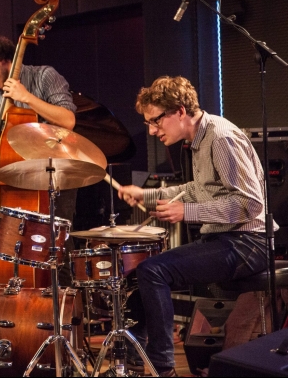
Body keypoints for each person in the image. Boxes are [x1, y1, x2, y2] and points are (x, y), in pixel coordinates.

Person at [117, 76, 275, 377]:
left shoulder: (221, 138)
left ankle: (162, 368)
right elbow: (196, 189)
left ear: (179, 111)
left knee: (153, 271)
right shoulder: (200, 140)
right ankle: (135, 359)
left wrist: (187, 212)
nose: (151, 130)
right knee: (139, 272)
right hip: (226, 239)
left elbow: (250, 204)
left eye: (155, 121)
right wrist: (145, 195)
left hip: (248, 243)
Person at [0, 33, 78, 282]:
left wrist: (27, 98)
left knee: (57, 248)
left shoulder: (44, 76)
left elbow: (68, 120)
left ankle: (66, 301)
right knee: (18, 248)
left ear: (2, 60)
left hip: (56, 177)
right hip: (18, 182)